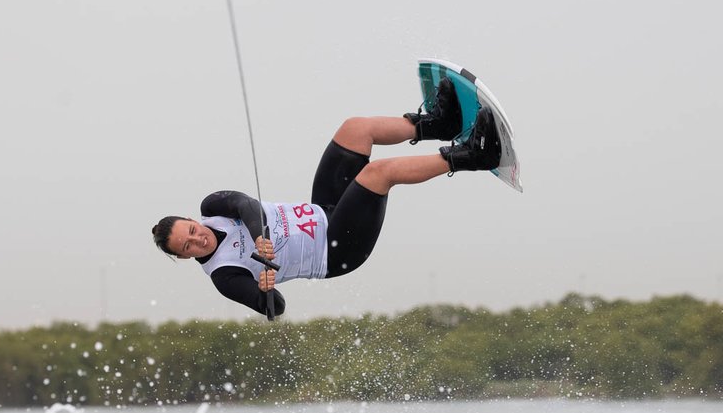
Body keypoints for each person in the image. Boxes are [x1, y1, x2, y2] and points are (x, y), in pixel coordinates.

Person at [151, 79, 502, 317]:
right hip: (335, 250)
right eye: (188, 247)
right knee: (378, 173)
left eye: (192, 230)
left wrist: (260, 236)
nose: (198, 239)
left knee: (355, 129)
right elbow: (276, 308)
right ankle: (472, 157)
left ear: (192, 220)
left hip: (323, 209)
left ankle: (438, 124)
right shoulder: (225, 275)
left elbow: (245, 204)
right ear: (185, 257)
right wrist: (265, 290)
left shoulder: (212, 208)